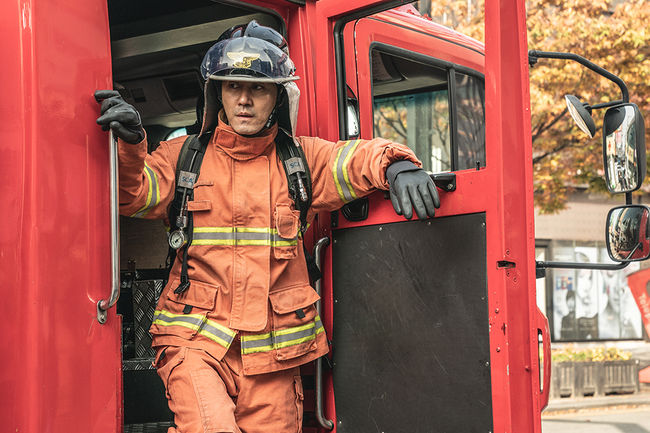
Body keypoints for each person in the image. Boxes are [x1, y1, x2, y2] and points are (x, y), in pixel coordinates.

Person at [94, 21, 439, 433]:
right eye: (233, 86)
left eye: (258, 87)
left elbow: (354, 159)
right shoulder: (182, 157)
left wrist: (397, 165)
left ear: (277, 96)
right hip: (196, 344)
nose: (244, 100)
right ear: (216, 93)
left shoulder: (302, 161)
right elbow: (133, 195)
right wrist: (130, 146)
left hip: (275, 358)